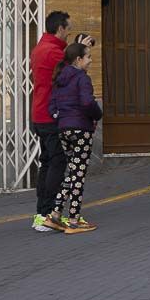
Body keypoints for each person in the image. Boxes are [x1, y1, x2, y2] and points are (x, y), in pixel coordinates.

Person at [40, 42, 101, 234]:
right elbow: (87, 102)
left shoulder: (60, 79)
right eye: (88, 57)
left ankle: (56, 215)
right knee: (78, 175)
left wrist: (62, 117)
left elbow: (52, 107)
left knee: (72, 172)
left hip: (64, 130)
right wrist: (96, 115)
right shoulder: (82, 78)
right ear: (78, 59)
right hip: (81, 129)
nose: (90, 60)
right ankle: (73, 220)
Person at [30, 11, 72, 232]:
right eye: (68, 29)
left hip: (38, 114)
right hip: (50, 116)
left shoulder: (39, 48)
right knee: (57, 163)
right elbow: (73, 75)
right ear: (60, 28)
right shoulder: (53, 52)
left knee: (47, 162)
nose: (69, 33)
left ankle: (41, 213)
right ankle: (47, 214)